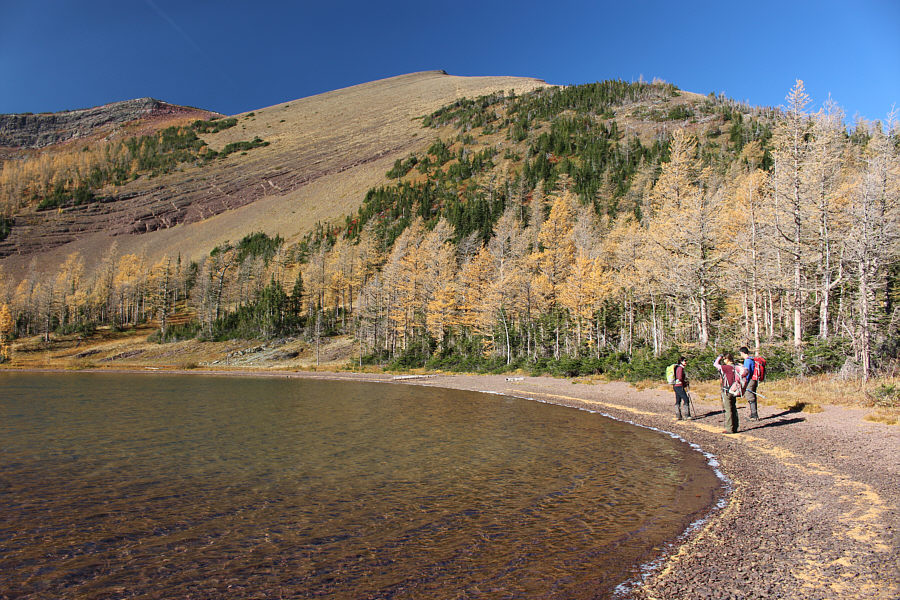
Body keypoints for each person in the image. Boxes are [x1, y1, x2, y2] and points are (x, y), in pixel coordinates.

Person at [714, 352, 740, 434]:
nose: (724, 361)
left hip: (727, 390)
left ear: (727, 359)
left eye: (724, 359)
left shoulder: (726, 367)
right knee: (733, 408)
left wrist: (719, 357)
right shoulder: (735, 367)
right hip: (734, 390)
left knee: (728, 409)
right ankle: (735, 427)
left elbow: (715, 364)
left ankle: (729, 428)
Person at [739, 346, 759, 420]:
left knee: (750, 396)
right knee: (752, 395)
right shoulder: (751, 359)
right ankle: (753, 414)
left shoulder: (747, 361)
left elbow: (747, 372)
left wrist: (744, 382)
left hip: (750, 380)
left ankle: (754, 415)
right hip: (754, 379)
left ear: (742, 353)